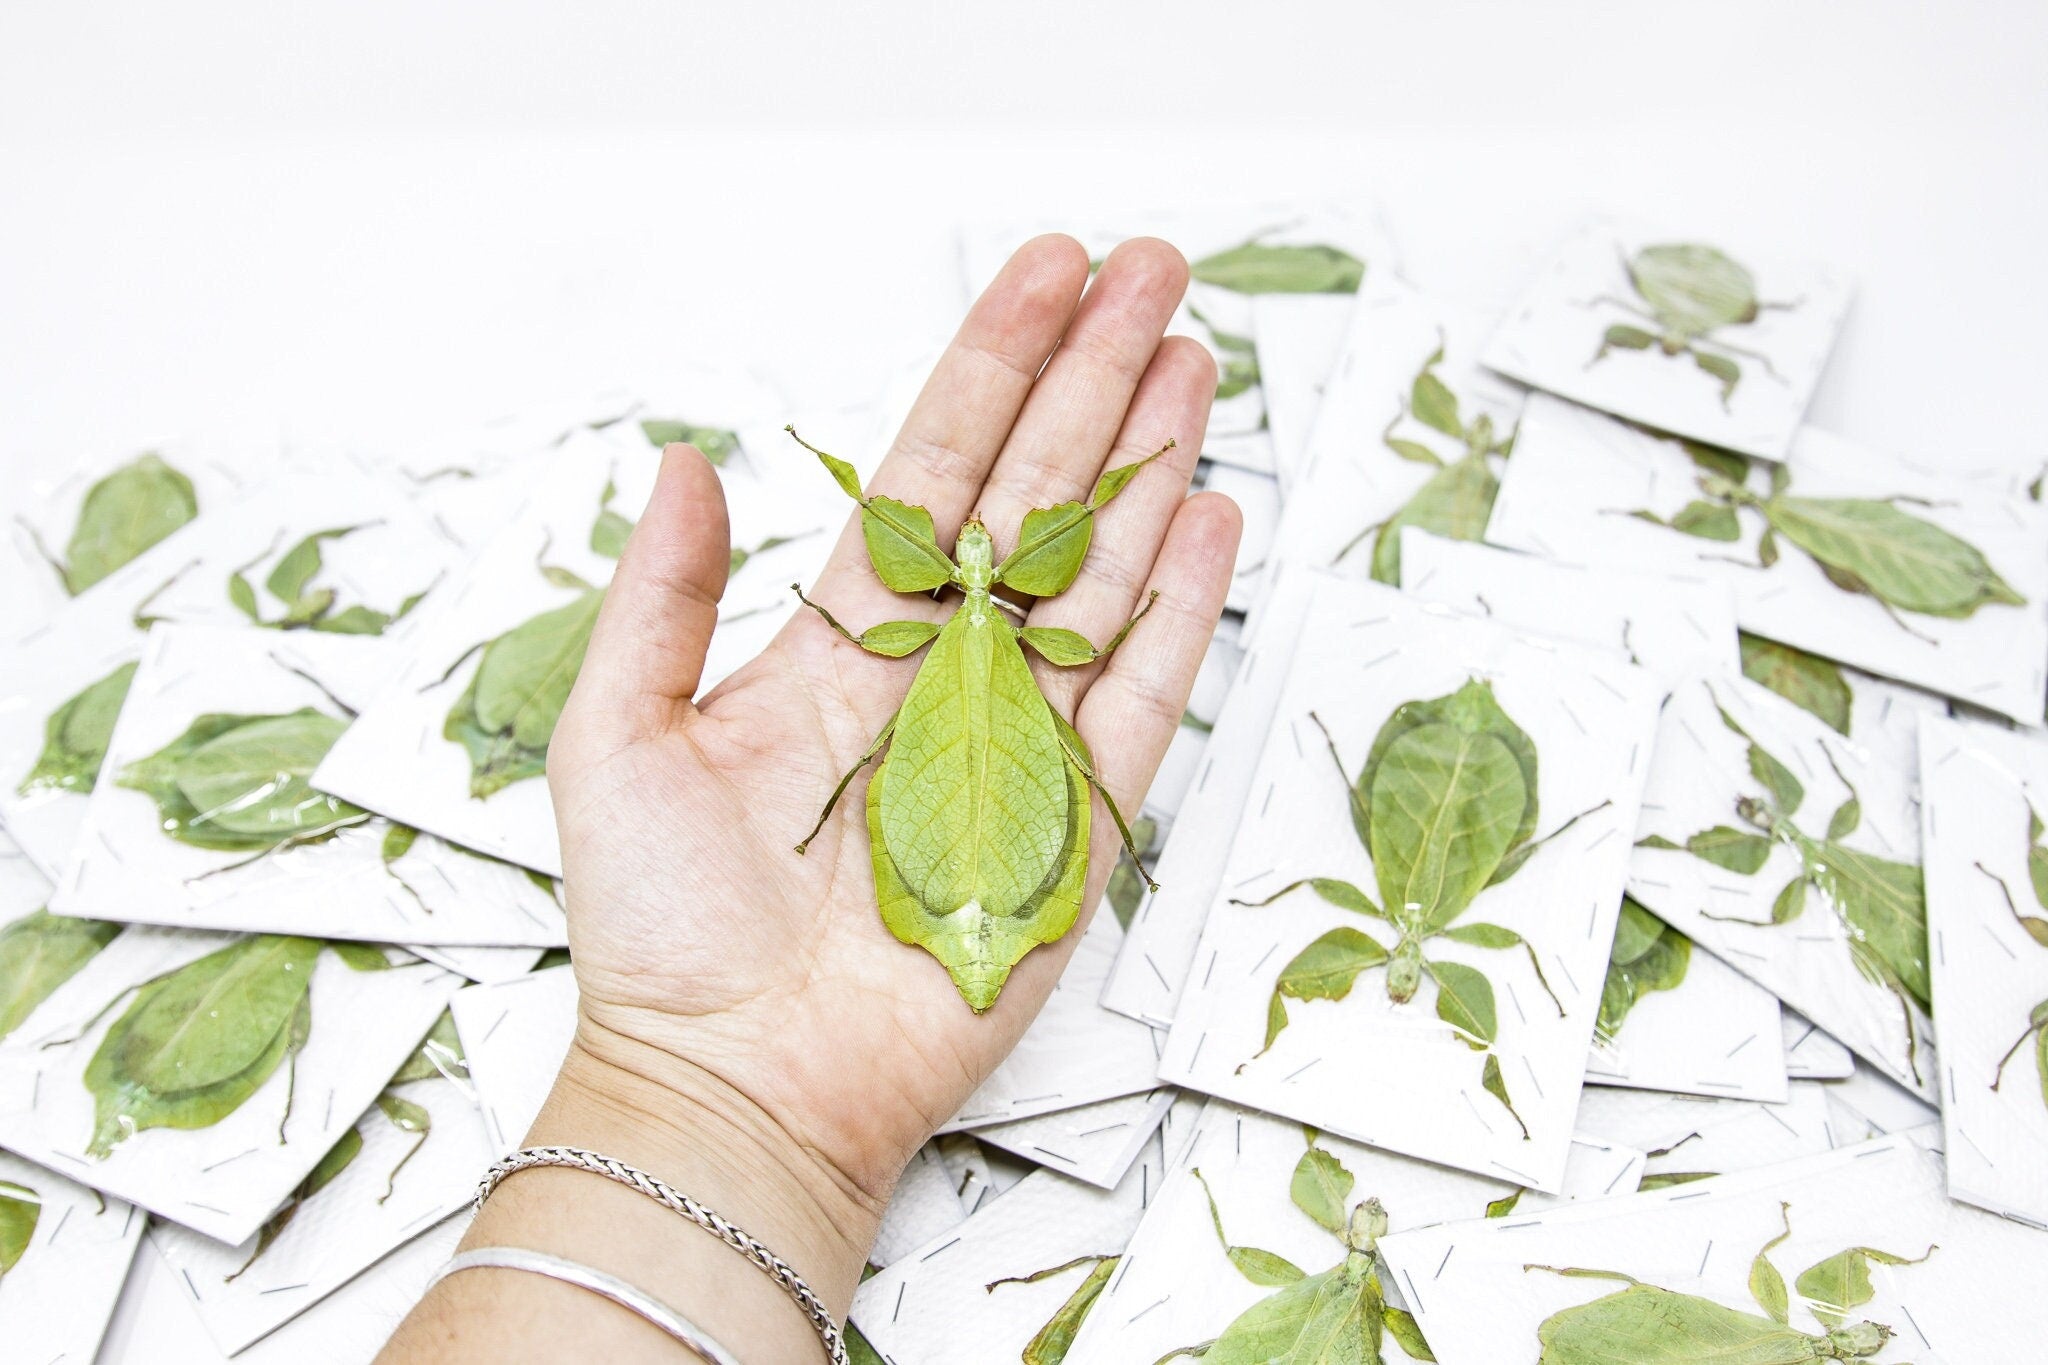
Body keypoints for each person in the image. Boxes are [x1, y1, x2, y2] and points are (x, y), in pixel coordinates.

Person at [379, 234, 1241, 1362]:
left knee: (1022, 769)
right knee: (1028, 767)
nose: (978, 547)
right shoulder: (1002, 616)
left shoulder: (940, 615)